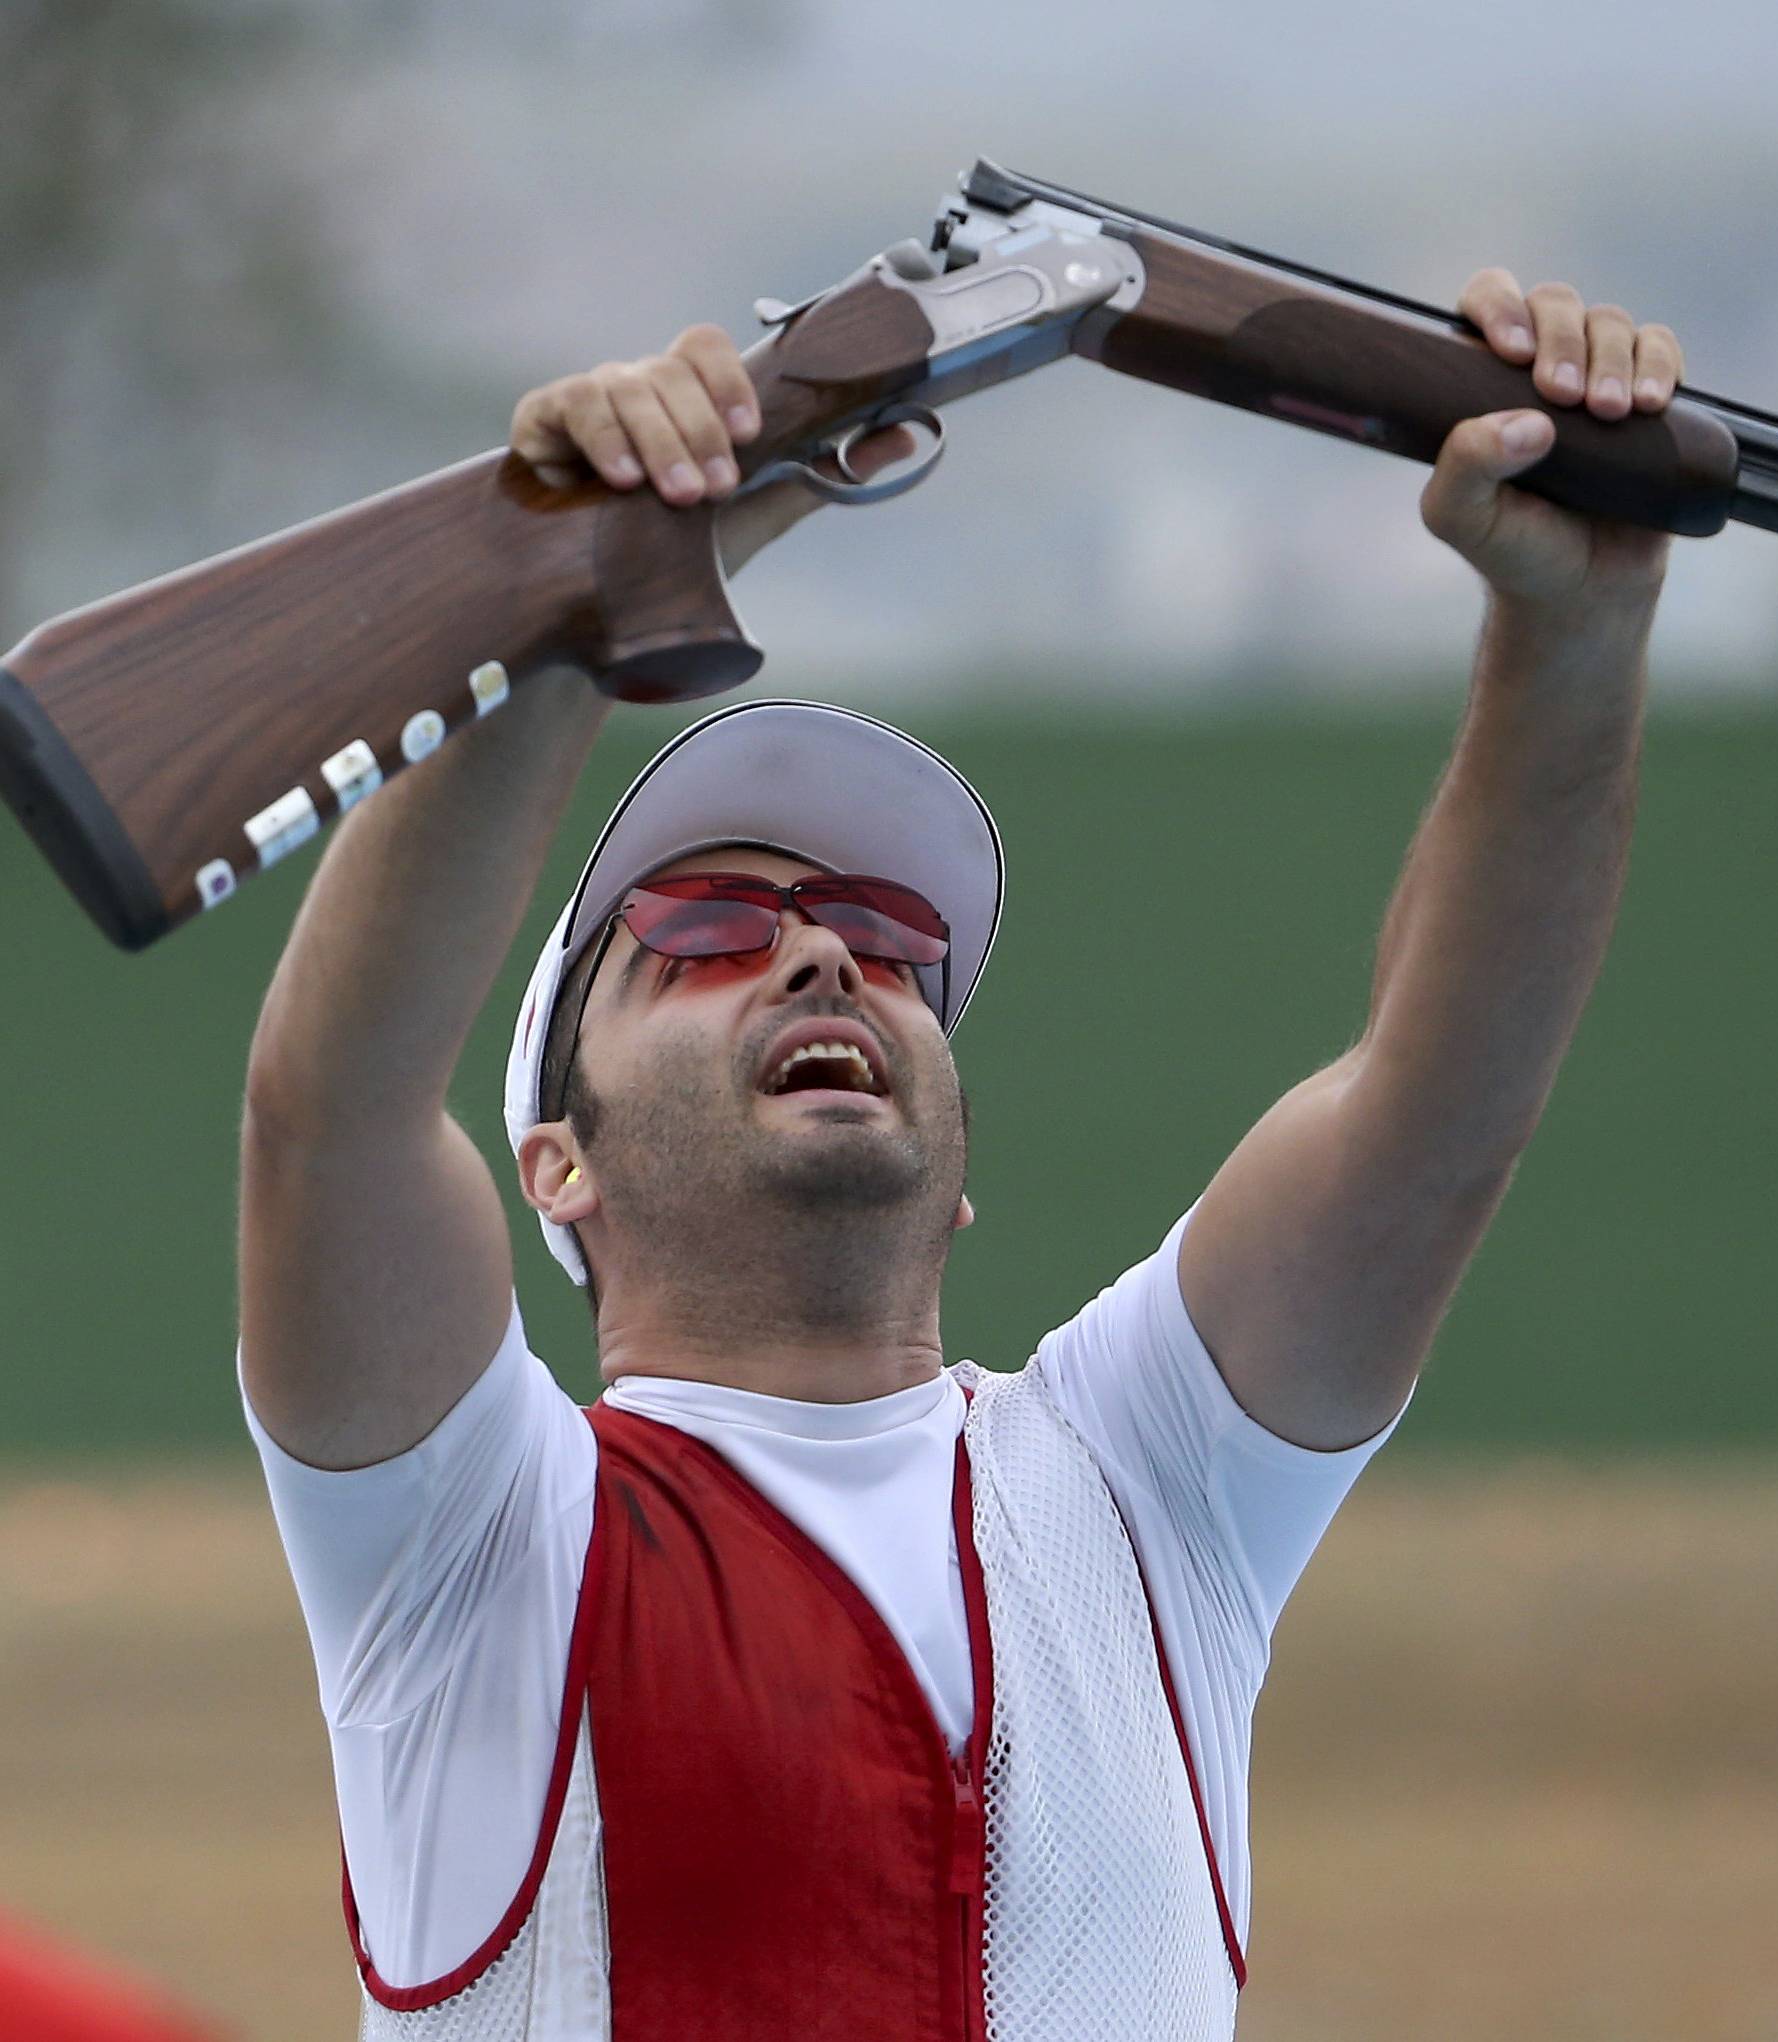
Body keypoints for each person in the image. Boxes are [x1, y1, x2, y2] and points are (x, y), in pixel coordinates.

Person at [237, 268, 1686, 2039]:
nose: (825, 951)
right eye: (698, 923)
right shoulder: (473, 1546)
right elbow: (334, 1111)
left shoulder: (1146, 1486)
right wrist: (568, 603)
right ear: (557, 1167)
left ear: (960, 1163)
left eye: (883, 933)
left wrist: (1578, 636)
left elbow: (1442, 1103)